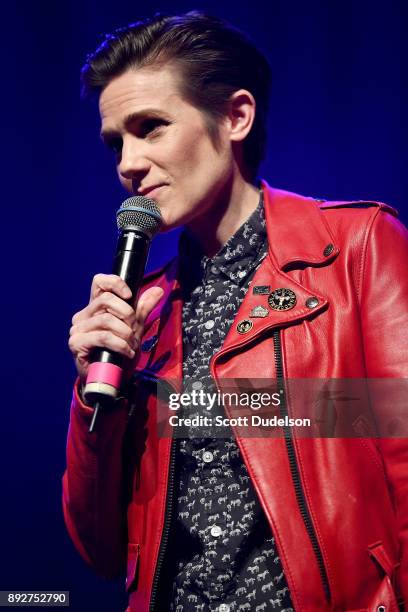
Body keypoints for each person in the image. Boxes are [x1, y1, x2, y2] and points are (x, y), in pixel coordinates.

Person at [63, 11, 408, 611]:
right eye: (116, 141)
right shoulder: (146, 310)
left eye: (152, 128)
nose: (128, 162)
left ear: (236, 116)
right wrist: (97, 397)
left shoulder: (355, 249)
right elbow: (101, 550)